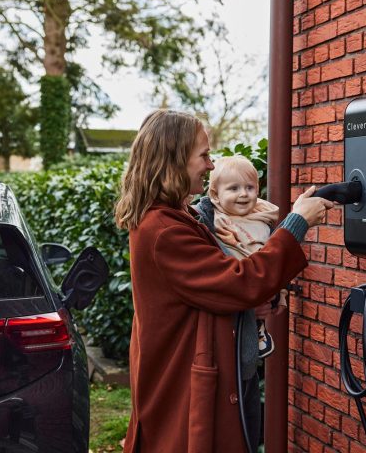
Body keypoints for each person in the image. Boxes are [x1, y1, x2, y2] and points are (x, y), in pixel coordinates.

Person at [114, 110, 333, 453]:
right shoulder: (164, 231)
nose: (211, 165)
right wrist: (296, 223)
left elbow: (217, 285)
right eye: (203, 155)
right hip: (183, 382)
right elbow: (237, 282)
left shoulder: (176, 217)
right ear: (173, 161)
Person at [200, 154, 282, 360]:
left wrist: (280, 296)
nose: (243, 194)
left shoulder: (264, 221)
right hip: (232, 294)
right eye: (233, 188)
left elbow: (275, 258)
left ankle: (258, 332)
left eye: (250, 187)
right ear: (215, 194)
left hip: (259, 288)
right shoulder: (212, 220)